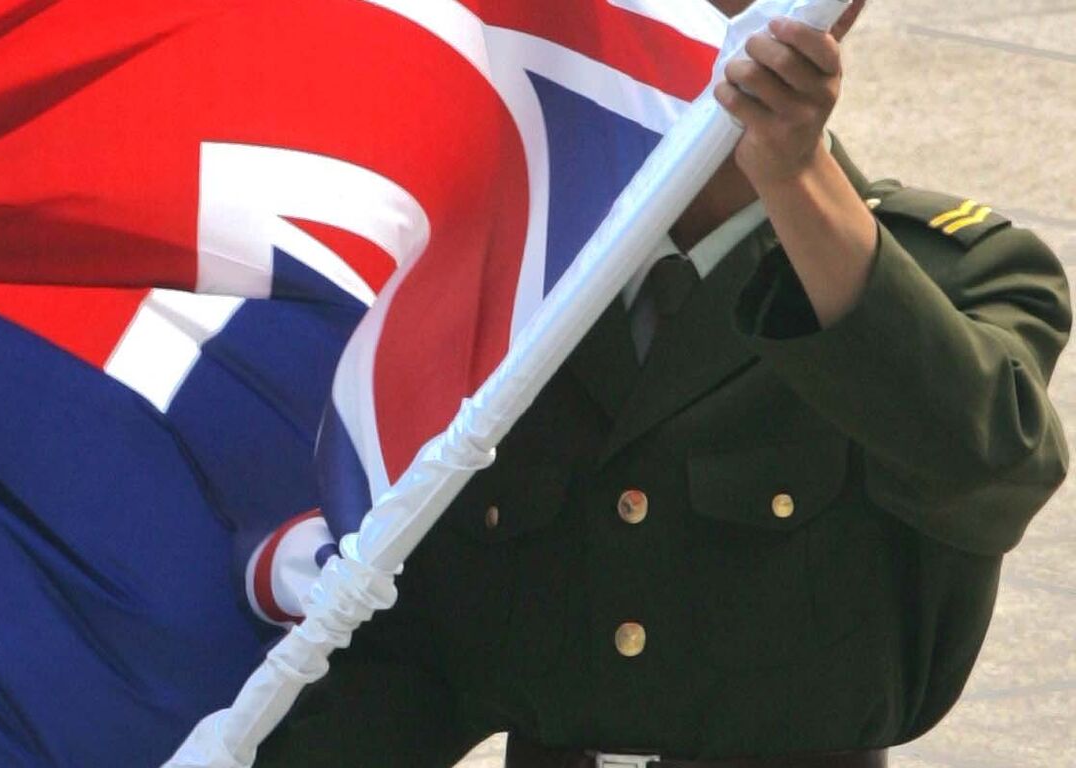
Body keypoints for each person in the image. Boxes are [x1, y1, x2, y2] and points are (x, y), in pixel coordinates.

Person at [259, 1, 1069, 766]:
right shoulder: (511, 286)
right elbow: (408, 660)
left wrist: (794, 177)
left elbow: (990, 464)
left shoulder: (955, 271)